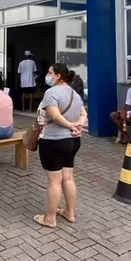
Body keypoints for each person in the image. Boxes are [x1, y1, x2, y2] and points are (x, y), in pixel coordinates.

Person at [34, 63, 87, 228]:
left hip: (53, 141)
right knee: (68, 178)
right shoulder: (74, 94)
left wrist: (71, 125)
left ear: (58, 76)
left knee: (54, 182)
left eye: (50, 73)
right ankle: (70, 212)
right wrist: (78, 126)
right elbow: (84, 114)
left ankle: (50, 218)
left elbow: (55, 117)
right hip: (73, 141)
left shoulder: (51, 93)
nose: (47, 76)